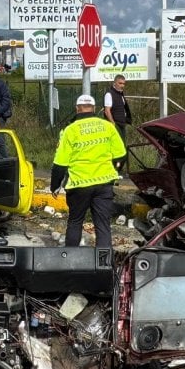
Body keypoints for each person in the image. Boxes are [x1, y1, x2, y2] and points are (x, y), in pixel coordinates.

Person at [50, 94, 126, 248]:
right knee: (103, 225)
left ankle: (71, 259)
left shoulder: (70, 130)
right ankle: (104, 265)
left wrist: (55, 186)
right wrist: (115, 171)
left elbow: (59, 164)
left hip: (79, 184)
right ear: (95, 108)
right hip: (104, 183)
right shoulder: (108, 126)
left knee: (75, 221)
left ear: (77, 109)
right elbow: (121, 155)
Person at [103, 74, 132, 173]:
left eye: (124, 84)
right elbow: (107, 111)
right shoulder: (109, 94)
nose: (122, 85)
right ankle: (114, 170)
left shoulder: (121, 94)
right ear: (114, 83)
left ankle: (116, 170)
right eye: (120, 83)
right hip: (115, 126)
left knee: (121, 149)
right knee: (119, 150)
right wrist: (113, 124)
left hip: (122, 125)